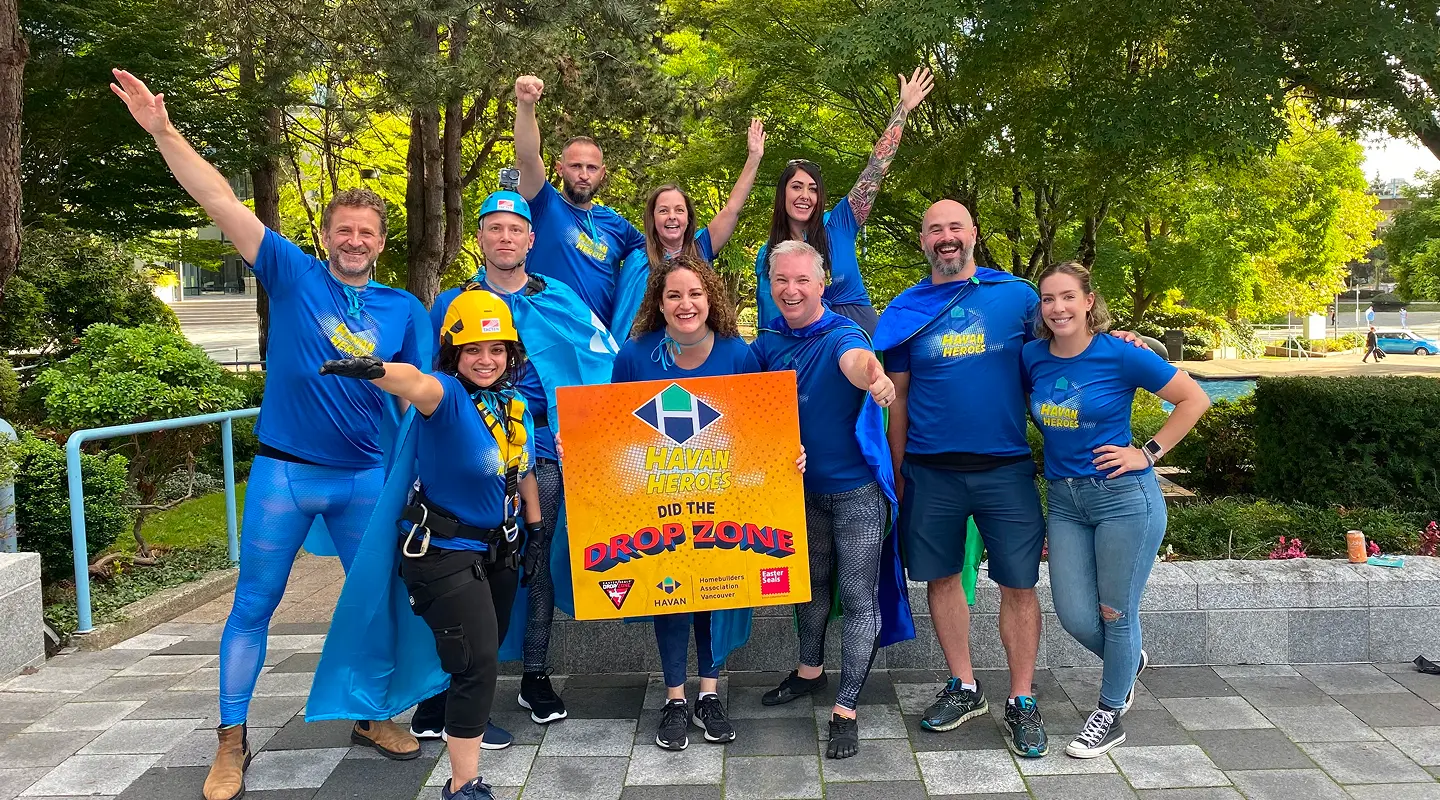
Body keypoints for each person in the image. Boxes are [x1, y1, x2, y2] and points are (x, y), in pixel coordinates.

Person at [110, 69, 425, 800]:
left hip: (365, 478)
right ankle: (232, 740)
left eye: (366, 232)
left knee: (377, 599)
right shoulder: (290, 270)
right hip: (284, 473)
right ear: (325, 236)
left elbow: (422, 395)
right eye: (343, 229)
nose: (353, 239)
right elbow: (217, 197)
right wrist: (163, 130)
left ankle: (370, 716)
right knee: (253, 605)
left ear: (380, 242)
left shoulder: (403, 305)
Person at [873, 200, 1147, 760]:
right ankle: (964, 686)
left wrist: (1126, 343)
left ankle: (1022, 697)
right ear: (923, 241)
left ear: (973, 234)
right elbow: (897, 396)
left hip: (1006, 467)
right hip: (930, 468)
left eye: (955, 227)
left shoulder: (1019, 297)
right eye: (934, 230)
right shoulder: (904, 309)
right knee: (943, 579)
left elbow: (1070, 339)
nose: (946, 238)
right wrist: (898, 470)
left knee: (1019, 586)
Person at [320, 289, 541, 800]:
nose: (486, 360)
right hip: (444, 552)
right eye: (473, 351)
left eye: (497, 350)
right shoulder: (445, 396)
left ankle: (459, 719)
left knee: (484, 654)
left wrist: (536, 526)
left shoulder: (515, 403)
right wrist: (374, 368)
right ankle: (463, 783)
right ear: (454, 355)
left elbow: (522, 467)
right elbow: (413, 382)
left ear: (511, 354)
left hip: (501, 548)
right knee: (477, 661)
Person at [427, 191, 620, 728]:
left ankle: (535, 674)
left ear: (530, 239)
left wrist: (581, 431)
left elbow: (598, 362)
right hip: (469, 451)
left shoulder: (558, 295)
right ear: (481, 237)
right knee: (463, 566)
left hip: (541, 450)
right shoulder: (452, 303)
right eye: (495, 228)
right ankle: (455, 684)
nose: (505, 237)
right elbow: (432, 381)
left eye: (516, 229)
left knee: (534, 561)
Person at [612, 254, 800, 751]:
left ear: (710, 298)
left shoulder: (739, 355)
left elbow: (761, 427)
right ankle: (675, 697)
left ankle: (709, 695)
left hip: (724, 503)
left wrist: (788, 455)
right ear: (659, 302)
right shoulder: (635, 356)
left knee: (716, 593)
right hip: (659, 504)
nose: (685, 303)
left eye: (694, 293)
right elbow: (611, 429)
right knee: (669, 595)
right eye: (673, 294)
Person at [1023, 261, 1210, 758]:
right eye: (1048, 299)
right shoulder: (1033, 357)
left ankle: (1109, 713)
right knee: (1073, 613)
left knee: (1116, 611)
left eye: (1067, 297)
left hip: (1124, 499)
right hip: (1064, 500)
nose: (1058, 307)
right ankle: (1127, 663)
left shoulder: (1120, 355)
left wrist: (1146, 452)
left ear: (1088, 302)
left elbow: (1194, 398)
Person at [751, 240, 911, 760]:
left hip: (857, 493)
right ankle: (810, 671)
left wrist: (876, 377)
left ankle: (847, 707)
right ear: (771, 286)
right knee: (811, 587)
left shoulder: (842, 332)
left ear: (822, 286)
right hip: (800, 493)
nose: (792, 290)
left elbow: (857, 360)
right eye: (782, 281)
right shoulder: (768, 341)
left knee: (859, 598)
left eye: (803, 280)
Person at [753, 67, 935, 336]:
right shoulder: (769, 253)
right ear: (783, 195)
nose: (805, 195)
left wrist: (903, 109)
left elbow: (875, 169)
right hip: (807, 349)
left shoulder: (839, 224)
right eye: (796, 187)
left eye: (813, 189)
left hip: (860, 336)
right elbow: (770, 320)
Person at [609, 119, 767, 337]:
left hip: (696, 352)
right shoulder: (638, 260)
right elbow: (624, 323)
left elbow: (731, 209)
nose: (672, 217)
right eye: (663, 210)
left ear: (688, 218)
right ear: (653, 218)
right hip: (651, 358)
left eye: (679, 210)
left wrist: (754, 158)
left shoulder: (701, 248)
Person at [513, 74, 647, 323]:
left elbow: (661, 250)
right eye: (575, 166)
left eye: (592, 168)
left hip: (597, 345)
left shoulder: (617, 225)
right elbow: (528, 157)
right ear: (559, 169)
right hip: (545, 334)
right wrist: (526, 105)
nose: (584, 175)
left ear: (602, 173)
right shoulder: (543, 204)